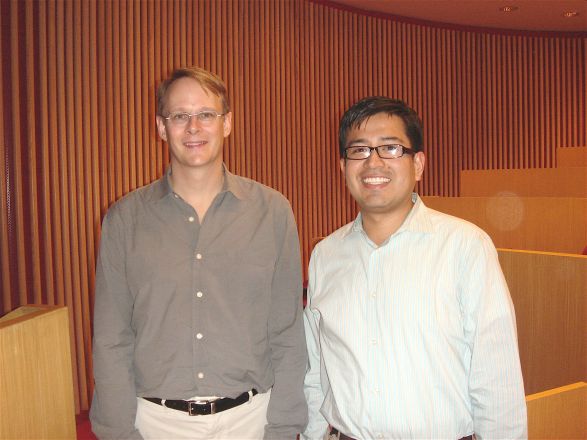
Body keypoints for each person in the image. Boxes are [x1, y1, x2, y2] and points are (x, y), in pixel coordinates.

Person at [90, 66, 307, 439]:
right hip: (157, 422)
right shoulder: (125, 219)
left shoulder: (273, 212)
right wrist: (117, 432)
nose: (194, 127)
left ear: (227, 123)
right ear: (162, 127)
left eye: (206, 114)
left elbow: (286, 332)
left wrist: (285, 427)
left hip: (251, 419)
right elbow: (112, 339)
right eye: (180, 116)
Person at [302, 97, 527, 440]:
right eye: (359, 150)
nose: (373, 162)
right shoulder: (325, 256)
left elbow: (497, 380)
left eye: (390, 148)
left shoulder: (465, 246)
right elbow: (316, 370)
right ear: (343, 166)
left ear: (418, 164)